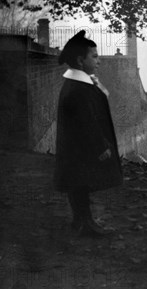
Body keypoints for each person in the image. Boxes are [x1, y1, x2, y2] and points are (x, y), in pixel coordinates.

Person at [53, 31, 123, 236]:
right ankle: (84, 224)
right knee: (79, 182)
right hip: (81, 146)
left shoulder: (80, 84)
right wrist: (100, 146)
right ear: (80, 60)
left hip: (77, 146)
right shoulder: (77, 89)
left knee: (80, 183)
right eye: (94, 56)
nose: (99, 61)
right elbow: (87, 121)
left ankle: (83, 221)